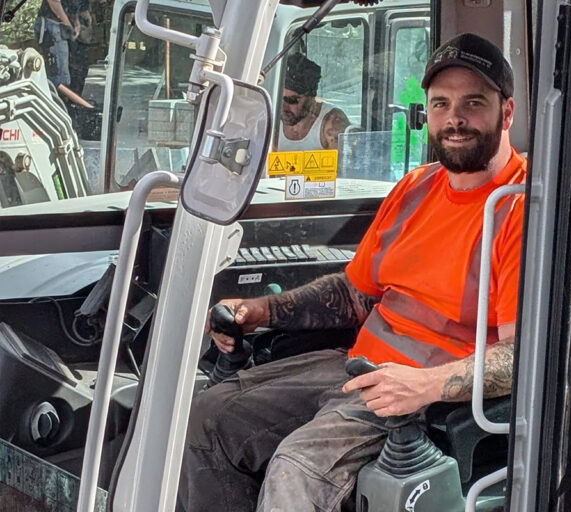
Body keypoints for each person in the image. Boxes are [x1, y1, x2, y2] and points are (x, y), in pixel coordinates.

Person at [178, 33, 525, 512]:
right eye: (441, 104)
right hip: (356, 367)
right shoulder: (416, 187)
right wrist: (263, 311)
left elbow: (524, 356)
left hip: (427, 398)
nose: (455, 119)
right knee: (207, 417)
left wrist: (425, 384)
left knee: (297, 471)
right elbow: (355, 295)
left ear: (506, 113)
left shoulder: (518, 207)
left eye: (473, 103)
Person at [277, 53, 350, 151]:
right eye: (279, 99)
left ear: (311, 97)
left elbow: (344, 164)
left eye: (292, 100)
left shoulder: (332, 123)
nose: (284, 107)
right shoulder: (271, 119)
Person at [34, 0, 93, 108]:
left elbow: (74, 6)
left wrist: (77, 23)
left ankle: (69, 105)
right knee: (59, 77)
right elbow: (54, 1)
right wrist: (68, 25)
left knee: (69, 74)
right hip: (52, 26)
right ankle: (56, 109)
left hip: (63, 26)